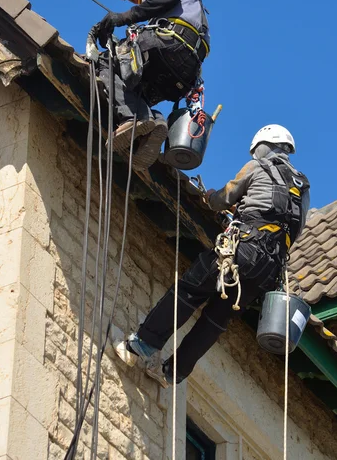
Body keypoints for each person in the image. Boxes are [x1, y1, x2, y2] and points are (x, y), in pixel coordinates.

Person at [112, 124, 310, 385]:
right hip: (267, 271)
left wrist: (210, 197)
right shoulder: (302, 187)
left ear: (263, 146)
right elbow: (295, 230)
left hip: (241, 249)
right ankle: (172, 373)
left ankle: (141, 346)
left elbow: (224, 198)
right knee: (215, 321)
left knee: (189, 291)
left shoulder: (258, 167)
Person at [93, 0, 210, 170]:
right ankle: (155, 124)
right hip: (185, 68)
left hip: (171, 43)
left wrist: (122, 18)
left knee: (105, 61)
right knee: (136, 92)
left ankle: (132, 119)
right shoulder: (184, 4)